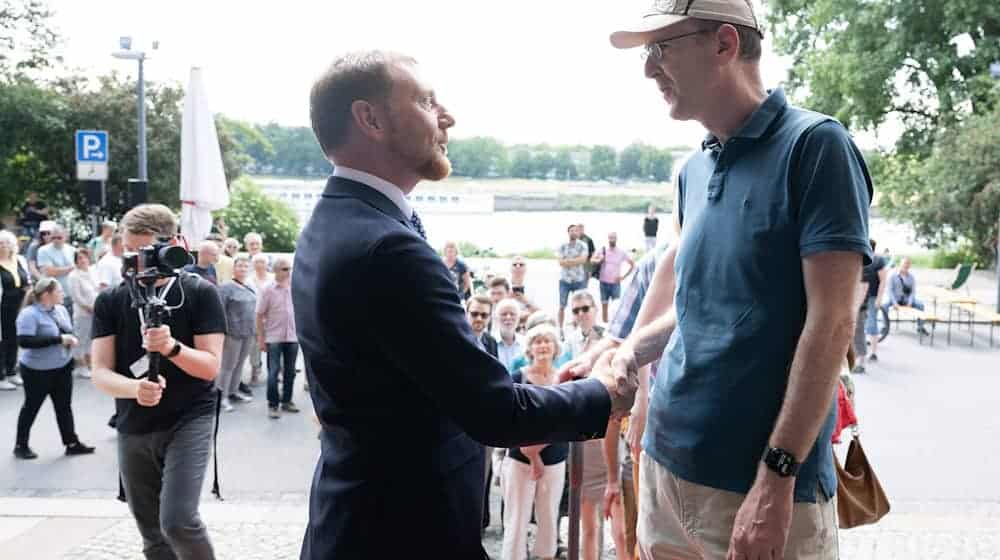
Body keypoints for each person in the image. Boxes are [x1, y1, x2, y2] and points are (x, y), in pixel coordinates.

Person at [293, 50, 634, 559]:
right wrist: (602, 394)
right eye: (427, 102)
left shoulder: (332, 223)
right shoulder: (389, 248)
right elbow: (495, 411)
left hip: (355, 518)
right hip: (403, 532)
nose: (447, 116)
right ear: (371, 119)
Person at [606, 2, 872, 557]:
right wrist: (631, 349)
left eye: (661, 49)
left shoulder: (816, 146)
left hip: (760, 486)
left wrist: (777, 477)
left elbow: (833, 323)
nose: (648, 70)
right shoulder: (693, 169)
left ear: (724, 45)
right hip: (665, 465)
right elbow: (698, 305)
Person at [91, 204, 226, 559]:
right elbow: (100, 371)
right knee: (152, 533)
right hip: (133, 421)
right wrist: (135, 388)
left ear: (174, 244)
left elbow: (211, 367)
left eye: (146, 251)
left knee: (179, 521)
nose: (138, 260)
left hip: (189, 417)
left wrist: (170, 347)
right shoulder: (111, 299)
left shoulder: (200, 293)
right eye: (130, 250)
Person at [502, 324, 569, 560]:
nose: (542, 345)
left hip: (554, 461)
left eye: (547, 340)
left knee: (549, 520)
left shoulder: (565, 379)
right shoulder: (516, 378)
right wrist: (531, 455)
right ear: (529, 347)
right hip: (519, 461)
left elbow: (567, 423)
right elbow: (510, 420)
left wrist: (536, 453)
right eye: (537, 341)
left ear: (555, 346)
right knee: (516, 521)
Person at [14, 277, 95, 459]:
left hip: (61, 366)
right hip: (37, 371)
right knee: (31, 407)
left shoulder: (60, 310)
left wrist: (69, 339)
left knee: (64, 406)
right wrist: (58, 340)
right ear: (46, 295)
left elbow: (67, 330)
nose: (62, 294)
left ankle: (71, 442)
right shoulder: (29, 314)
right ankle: (21, 445)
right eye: (59, 291)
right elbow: (25, 341)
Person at [257, 256, 298, 419]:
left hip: (293, 336)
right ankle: (273, 405)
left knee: (290, 371)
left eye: (290, 268)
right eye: (285, 269)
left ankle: (287, 401)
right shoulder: (268, 289)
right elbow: (259, 315)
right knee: (273, 372)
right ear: (275, 271)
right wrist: (261, 339)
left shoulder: (294, 287)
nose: (289, 272)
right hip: (273, 337)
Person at [217, 256, 256, 412]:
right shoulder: (226, 287)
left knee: (240, 364)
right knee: (227, 366)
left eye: (246, 266)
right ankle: (222, 396)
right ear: (234, 268)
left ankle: (233, 391)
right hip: (232, 332)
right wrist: (223, 332)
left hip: (248, 331)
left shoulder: (249, 286)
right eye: (240, 266)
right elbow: (219, 311)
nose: (243, 269)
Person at [0, 230, 30, 390]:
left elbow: (27, 282)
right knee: (2, 341)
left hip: (20, 305)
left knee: (14, 339)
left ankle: (11, 371)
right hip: (3, 307)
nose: (4, 246)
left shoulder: (20, 260)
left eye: (7, 243)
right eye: (1, 243)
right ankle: (1, 375)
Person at [854, 239, 889, 373]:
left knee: (871, 324)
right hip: (862, 298)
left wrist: (879, 298)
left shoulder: (878, 261)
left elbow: (883, 280)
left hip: (872, 297)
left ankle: (873, 353)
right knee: (860, 326)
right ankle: (860, 355)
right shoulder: (863, 260)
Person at [67, 248, 98, 379]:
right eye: (79, 258)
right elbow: (76, 297)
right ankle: (81, 366)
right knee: (81, 339)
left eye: (84, 257)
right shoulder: (74, 276)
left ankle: (90, 364)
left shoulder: (92, 271)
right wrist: (88, 308)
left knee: (91, 339)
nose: (83, 260)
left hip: (95, 311)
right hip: (83, 313)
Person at [592, 232, 636, 323]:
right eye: (610, 237)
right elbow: (592, 260)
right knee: (604, 306)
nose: (612, 239)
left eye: (614, 238)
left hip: (615, 284)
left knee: (616, 307)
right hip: (603, 282)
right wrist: (599, 260)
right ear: (608, 239)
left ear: (616, 239)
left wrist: (623, 277)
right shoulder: (603, 250)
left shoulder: (621, 252)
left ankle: (615, 325)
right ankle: (605, 325)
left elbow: (632, 265)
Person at [244, 253, 273, 387]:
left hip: (272, 317)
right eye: (257, 262)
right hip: (253, 317)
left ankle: (275, 371)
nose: (260, 265)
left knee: (274, 345)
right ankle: (255, 371)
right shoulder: (248, 280)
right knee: (254, 346)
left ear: (267, 264)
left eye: (262, 262)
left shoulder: (273, 278)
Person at [883, 257, 930, 336]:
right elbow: (889, 291)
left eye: (908, 264)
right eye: (904, 263)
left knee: (920, 305)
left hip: (906, 299)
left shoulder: (911, 277)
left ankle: (920, 327)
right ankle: (885, 327)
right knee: (884, 305)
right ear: (900, 264)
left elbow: (913, 292)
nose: (906, 265)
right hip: (895, 299)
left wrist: (910, 302)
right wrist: (894, 303)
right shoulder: (892, 275)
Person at [36, 225, 75, 316]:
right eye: (53, 237)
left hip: (71, 294)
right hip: (53, 295)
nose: (56, 240)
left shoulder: (72, 250)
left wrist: (60, 270)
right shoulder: (43, 250)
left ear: (65, 237)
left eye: (59, 237)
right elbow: (49, 272)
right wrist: (71, 268)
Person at [557, 224, 589, 330]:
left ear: (578, 232)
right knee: (562, 306)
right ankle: (560, 328)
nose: (573, 232)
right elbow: (561, 262)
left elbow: (583, 260)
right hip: (564, 280)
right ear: (568, 232)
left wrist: (568, 261)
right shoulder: (562, 245)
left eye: (575, 231)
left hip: (578, 280)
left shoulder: (583, 245)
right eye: (571, 231)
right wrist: (576, 260)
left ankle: (578, 328)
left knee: (579, 306)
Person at [494, 298, 525, 373]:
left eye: (512, 314)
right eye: (504, 314)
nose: (508, 317)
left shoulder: (526, 343)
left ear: (518, 318)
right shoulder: (489, 342)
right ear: (496, 317)